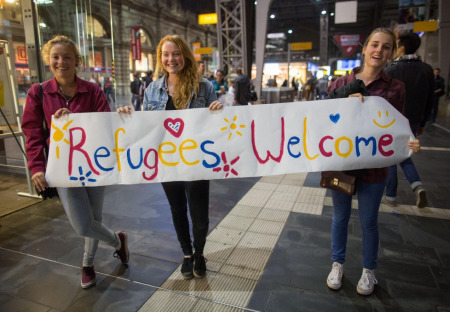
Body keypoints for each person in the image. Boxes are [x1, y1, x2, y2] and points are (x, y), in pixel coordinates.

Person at [21, 35, 129, 290]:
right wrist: (36, 166)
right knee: (84, 225)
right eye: (56, 57)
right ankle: (117, 241)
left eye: (67, 57)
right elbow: (32, 131)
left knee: (94, 216)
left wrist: (121, 116)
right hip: (63, 168)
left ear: (77, 61)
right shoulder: (38, 93)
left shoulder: (92, 90)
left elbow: (105, 123)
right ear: (49, 61)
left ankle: (87, 265)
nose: (61, 62)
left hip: (94, 164)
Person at [117, 34, 223, 280]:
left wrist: (219, 111)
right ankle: (186, 254)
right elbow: (146, 126)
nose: (171, 59)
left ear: (184, 55)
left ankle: (199, 253)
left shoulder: (204, 86)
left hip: (196, 159)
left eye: (175, 53)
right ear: (160, 58)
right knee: (177, 208)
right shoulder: (153, 89)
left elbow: (216, 128)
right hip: (167, 161)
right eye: (165, 54)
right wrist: (128, 115)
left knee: (199, 212)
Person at [324, 28, 421, 296]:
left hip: (376, 168)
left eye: (386, 47)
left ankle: (369, 271)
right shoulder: (339, 83)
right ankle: (337, 263)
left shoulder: (395, 88)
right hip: (341, 164)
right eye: (374, 44)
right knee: (340, 218)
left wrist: (409, 142)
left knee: (368, 221)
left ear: (392, 53)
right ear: (364, 48)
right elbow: (323, 119)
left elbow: (400, 126)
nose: (379, 50)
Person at [383, 32, 433, 208]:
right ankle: (416, 185)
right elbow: (430, 100)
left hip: (393, 119)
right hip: (414, 120)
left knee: (390, 154)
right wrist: (422, 123)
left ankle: (391, 195)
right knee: (404, 152)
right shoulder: (427, 69)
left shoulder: (392, 70)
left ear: (402, 48)